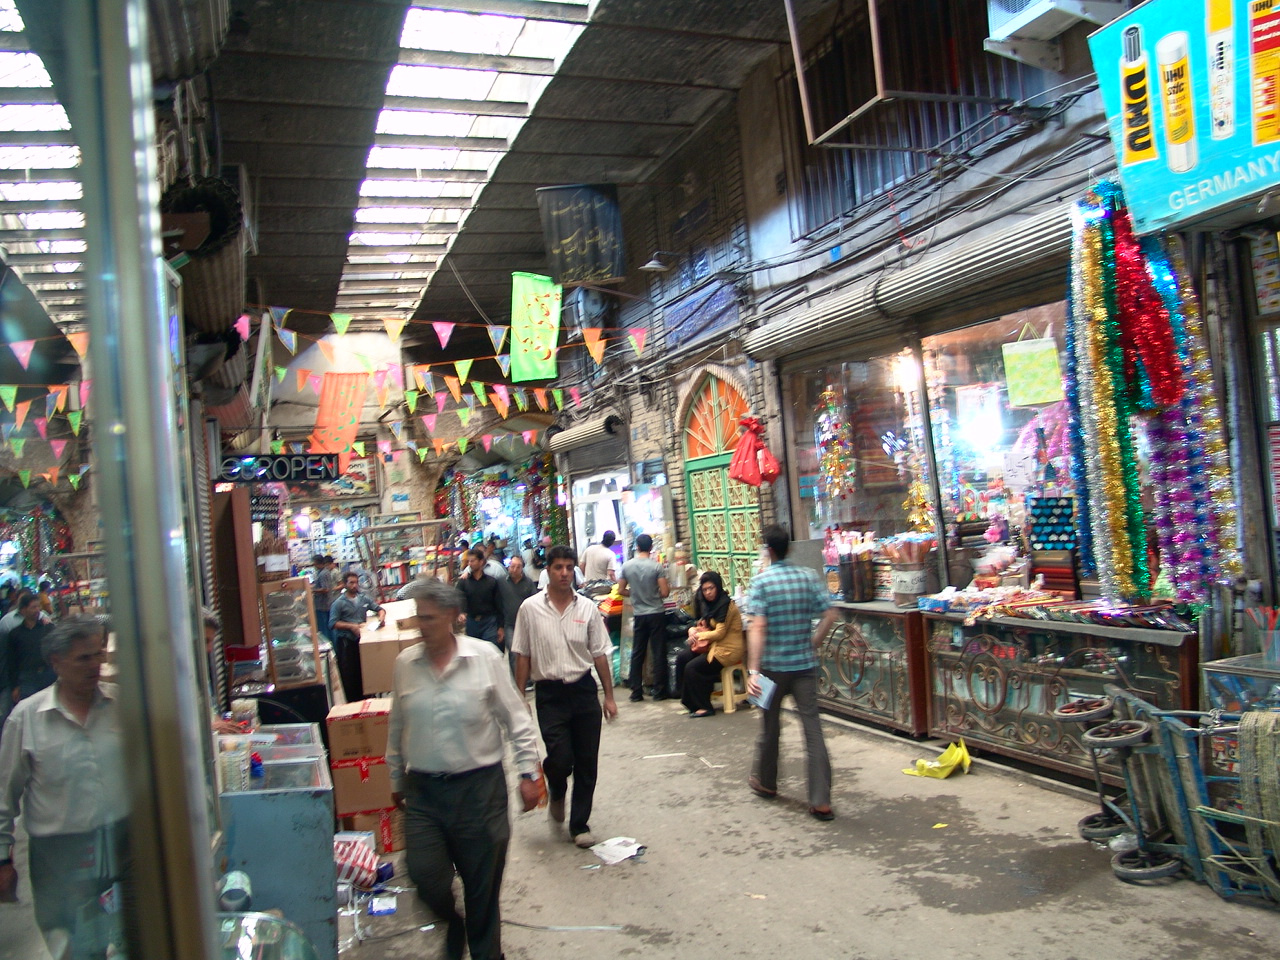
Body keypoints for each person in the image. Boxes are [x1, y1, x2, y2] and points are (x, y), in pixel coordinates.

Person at [387, 578, 540, 960]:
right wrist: (395, 777)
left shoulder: (484, 657)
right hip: (423, 791)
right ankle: (453, 923)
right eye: (418, 618)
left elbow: (515, 719)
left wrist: (528, 773)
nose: (423, 626)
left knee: (481, 886)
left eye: (431, 618)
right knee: (424, 874)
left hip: (479, 791)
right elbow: (397, 725)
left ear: (455, 618)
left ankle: (487, 953)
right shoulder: (406, 664)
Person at [0, 616, 128, 953]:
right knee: (71, 944)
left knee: (131, 937)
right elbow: (3, 798)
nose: (95, 666)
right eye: (83, 658)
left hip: (121, 843)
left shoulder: (120, 705)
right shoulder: (26, 719)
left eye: (98, 655)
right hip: (59, 855)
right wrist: (2, 859)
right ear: (56, 662)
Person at [512, 546, 617, 848]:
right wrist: (520, 698)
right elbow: (522, 654)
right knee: (559, 758)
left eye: (569, 567)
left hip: (583, 690)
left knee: (587, 761)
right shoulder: (529, 609)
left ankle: (579, 825)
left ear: (575, 570)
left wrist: (609, 696)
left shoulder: (586, 609)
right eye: (558, 567)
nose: (564, 573)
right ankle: (557, 789)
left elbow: (599, 654)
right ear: (547, 570)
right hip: (550, 693)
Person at [744, 524, 841, 821]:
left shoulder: (762, 582)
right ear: (790, 547)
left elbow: (757, 627)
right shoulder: (808, 577)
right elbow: (830, 614)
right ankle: (821, 800)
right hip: (803, 667)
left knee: (770, 726)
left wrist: (753, 670)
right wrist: (814, 642)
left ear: (768, 550)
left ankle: (767, 782)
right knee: (813, 730)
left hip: (772, 669)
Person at [675, 571, 745, 717]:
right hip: (713, 646)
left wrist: (698, 635)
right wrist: (693, 630)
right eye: (705, 589)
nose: (708, 592)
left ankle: (705, 707)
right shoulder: (708, 604)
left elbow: (720, 633)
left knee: (693, 667)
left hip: (728, 650)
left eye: (711, 588)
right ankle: (690, 703)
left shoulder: (725, 605)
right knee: (682, 658)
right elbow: (703, 622)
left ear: (718, 587)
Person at [618, 534, 670, 701]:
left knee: (638, 652)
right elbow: (665, 592)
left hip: (639, 614)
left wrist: (635, 594)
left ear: (637, 547)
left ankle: (636, 692)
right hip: (656, 613)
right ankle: (659, 691)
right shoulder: (656, 567)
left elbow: (621, 590)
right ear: (651, 548)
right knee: (658, 651)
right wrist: (652, 594)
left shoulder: (627, 566)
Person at [329, 571, 386, 700]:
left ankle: (367, 696)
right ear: (345, 584)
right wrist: (351, 626)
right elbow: (332, 623)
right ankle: (353, 701)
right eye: (351, 583)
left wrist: (381, 618)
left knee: (364, 671)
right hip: (347, 643)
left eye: (356, 583)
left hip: (363, 641)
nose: (355, 585)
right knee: (350, 674)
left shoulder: (363, 599)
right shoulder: (339, 603)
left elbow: (379, 609)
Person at [7, 593, 54, 705]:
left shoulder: (48, 628)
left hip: (48, 675)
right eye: (33, 607)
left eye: (38, 606)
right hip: (27, 679)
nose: (37, 610)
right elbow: (12, 662)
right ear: (23, 610)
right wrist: (15, 686)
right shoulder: (15, 634)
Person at [455, 549, 504, 649]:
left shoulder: (491, 582)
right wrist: (461, 612)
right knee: (475, 653)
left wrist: (501, 627)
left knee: (491, 651)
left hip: (489, 622)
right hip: (472, 622)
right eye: (468, 561)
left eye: (472, 561)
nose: (470, 564)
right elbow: (458, 598)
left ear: (481, 562)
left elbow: (499, 605)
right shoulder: (464, 582)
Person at [497, 555, 537, 659]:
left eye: (518, 567)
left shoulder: (528, 583)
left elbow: (534, 602)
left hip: (525, 624)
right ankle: (516, 675)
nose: (514, 569)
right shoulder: (501, 582)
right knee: (514, 651)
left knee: (526, 653)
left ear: (522, 568)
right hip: (509, 624)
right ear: (508, 567)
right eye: (512, 566)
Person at [311, 555, 338, 641]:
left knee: (325, 630)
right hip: (321, 605)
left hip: (324, 606)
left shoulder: (323, 573)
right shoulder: (321, 572)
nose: (313, 565)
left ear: (318, 563)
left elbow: (325, 589)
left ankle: (330, 646)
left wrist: (312, 590)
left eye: (314, 563)